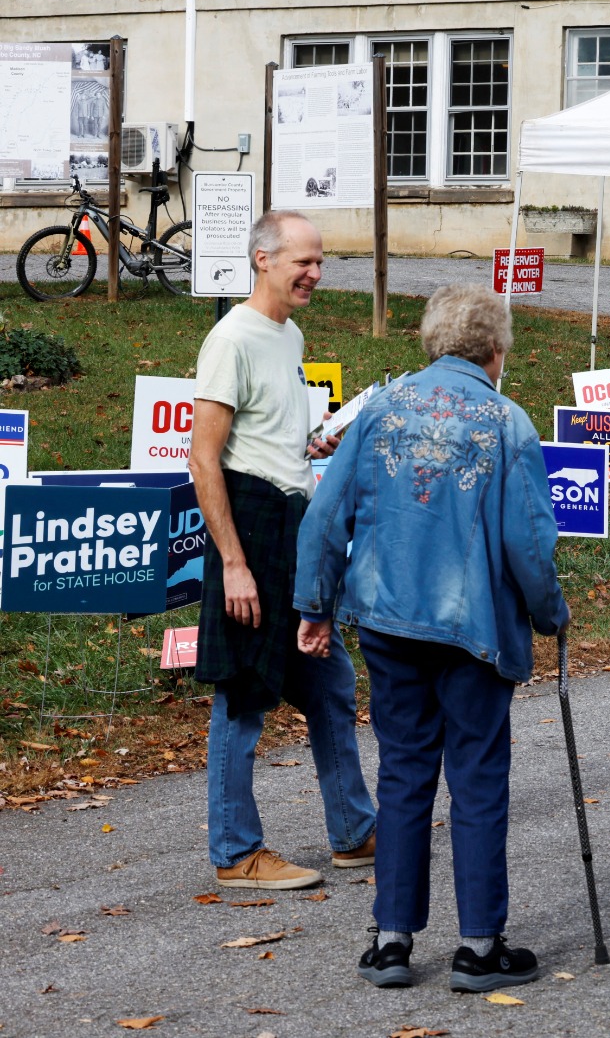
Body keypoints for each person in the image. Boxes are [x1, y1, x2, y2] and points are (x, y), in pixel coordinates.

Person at [294, 283, 569, 993]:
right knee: (477, 777)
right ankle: (478, 945)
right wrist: (550, 613)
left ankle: (390, 940)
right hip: (471, 628)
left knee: (404, 770)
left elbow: (327, 514)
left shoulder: (381, 408)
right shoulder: (506, 422)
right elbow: (530, 543)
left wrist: (314, 603)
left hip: (389, 620)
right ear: (495, 352)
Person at [190, 210, 376, 893]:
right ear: (263, 259)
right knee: (244, 694)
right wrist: (234, 563)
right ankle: (236, 852)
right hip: (253, 527)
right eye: (303, 261)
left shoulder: (288, 334)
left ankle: (355, 833)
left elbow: (268, 438)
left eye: (321, 261)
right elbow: (204, 460)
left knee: (328, 684)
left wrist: (314, 441)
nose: (315, 274)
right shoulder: (230, 338)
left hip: (294, 523)